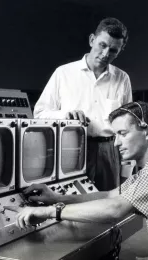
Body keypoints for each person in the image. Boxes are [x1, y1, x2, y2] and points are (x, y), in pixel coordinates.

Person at [6, 101, 148, 260]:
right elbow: (112, 195)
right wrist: (56, 197)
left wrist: (50, 211)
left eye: (122, 133)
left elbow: (115, 209)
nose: (116, 143)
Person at [33, 17, 132, 191]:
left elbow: (128, 128)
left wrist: (127, 170)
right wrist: (65, 115)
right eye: (102, 45)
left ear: (120, 51)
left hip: (109, 153)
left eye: (113, 50)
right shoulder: (63, 73)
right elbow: (39, 113)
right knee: (70, 206)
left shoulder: (122, 79)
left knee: (107, 209)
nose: (105, 54)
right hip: (71, 149)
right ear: (92, 40)